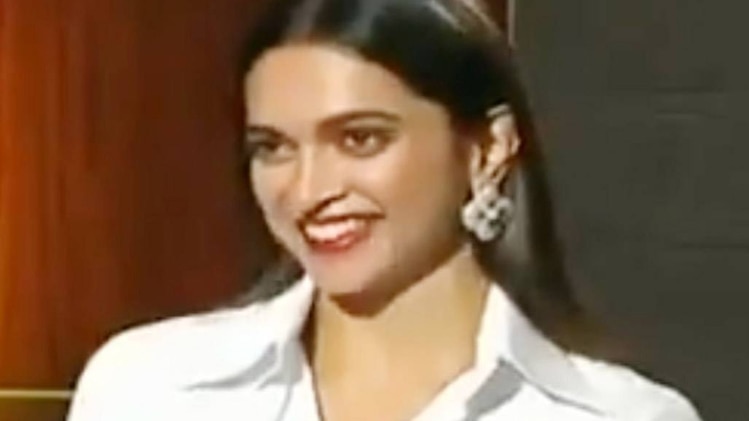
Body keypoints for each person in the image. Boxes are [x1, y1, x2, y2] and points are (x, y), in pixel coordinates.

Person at [66, 0, 703, 420]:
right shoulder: (150, 389)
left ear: (488, 149)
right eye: (273, 148)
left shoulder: (623, 416)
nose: (307, 190)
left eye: (360, 139)